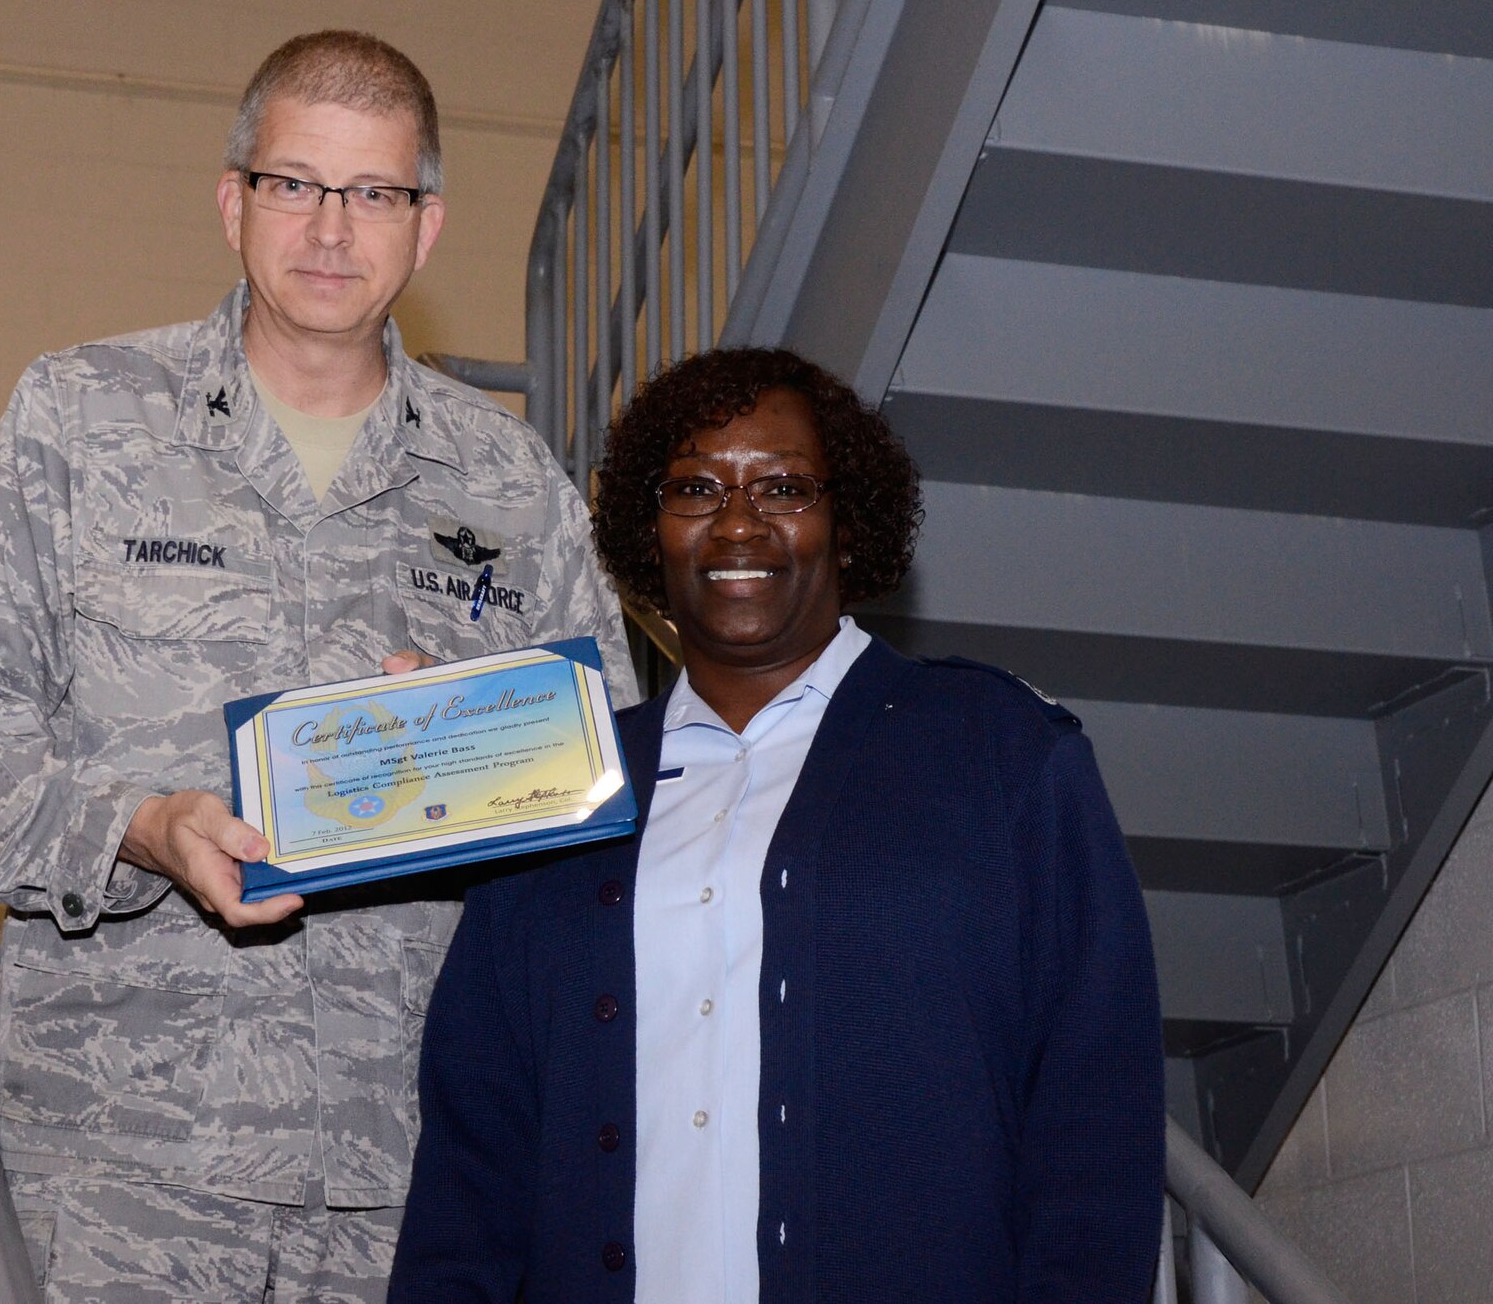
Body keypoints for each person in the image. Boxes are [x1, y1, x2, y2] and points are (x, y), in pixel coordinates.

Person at [0, 30, 636, 1302]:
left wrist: (473, 749)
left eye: (373, 193)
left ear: (425, 225)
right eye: (295, 183)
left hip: (418, 1168)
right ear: (233, 202)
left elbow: (596, 791)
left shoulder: (509, 484)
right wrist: (138, 828)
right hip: (123, 1166)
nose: (330, 229)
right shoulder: (82, 417)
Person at [389, 347, 1164, 1303]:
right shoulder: (557, 784)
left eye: (786, 487)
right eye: (697, 488)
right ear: (650, 529)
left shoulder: (1001, 753)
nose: (740, 521)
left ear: (847, 526)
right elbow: (476, 1147)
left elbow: (1095, 1115)